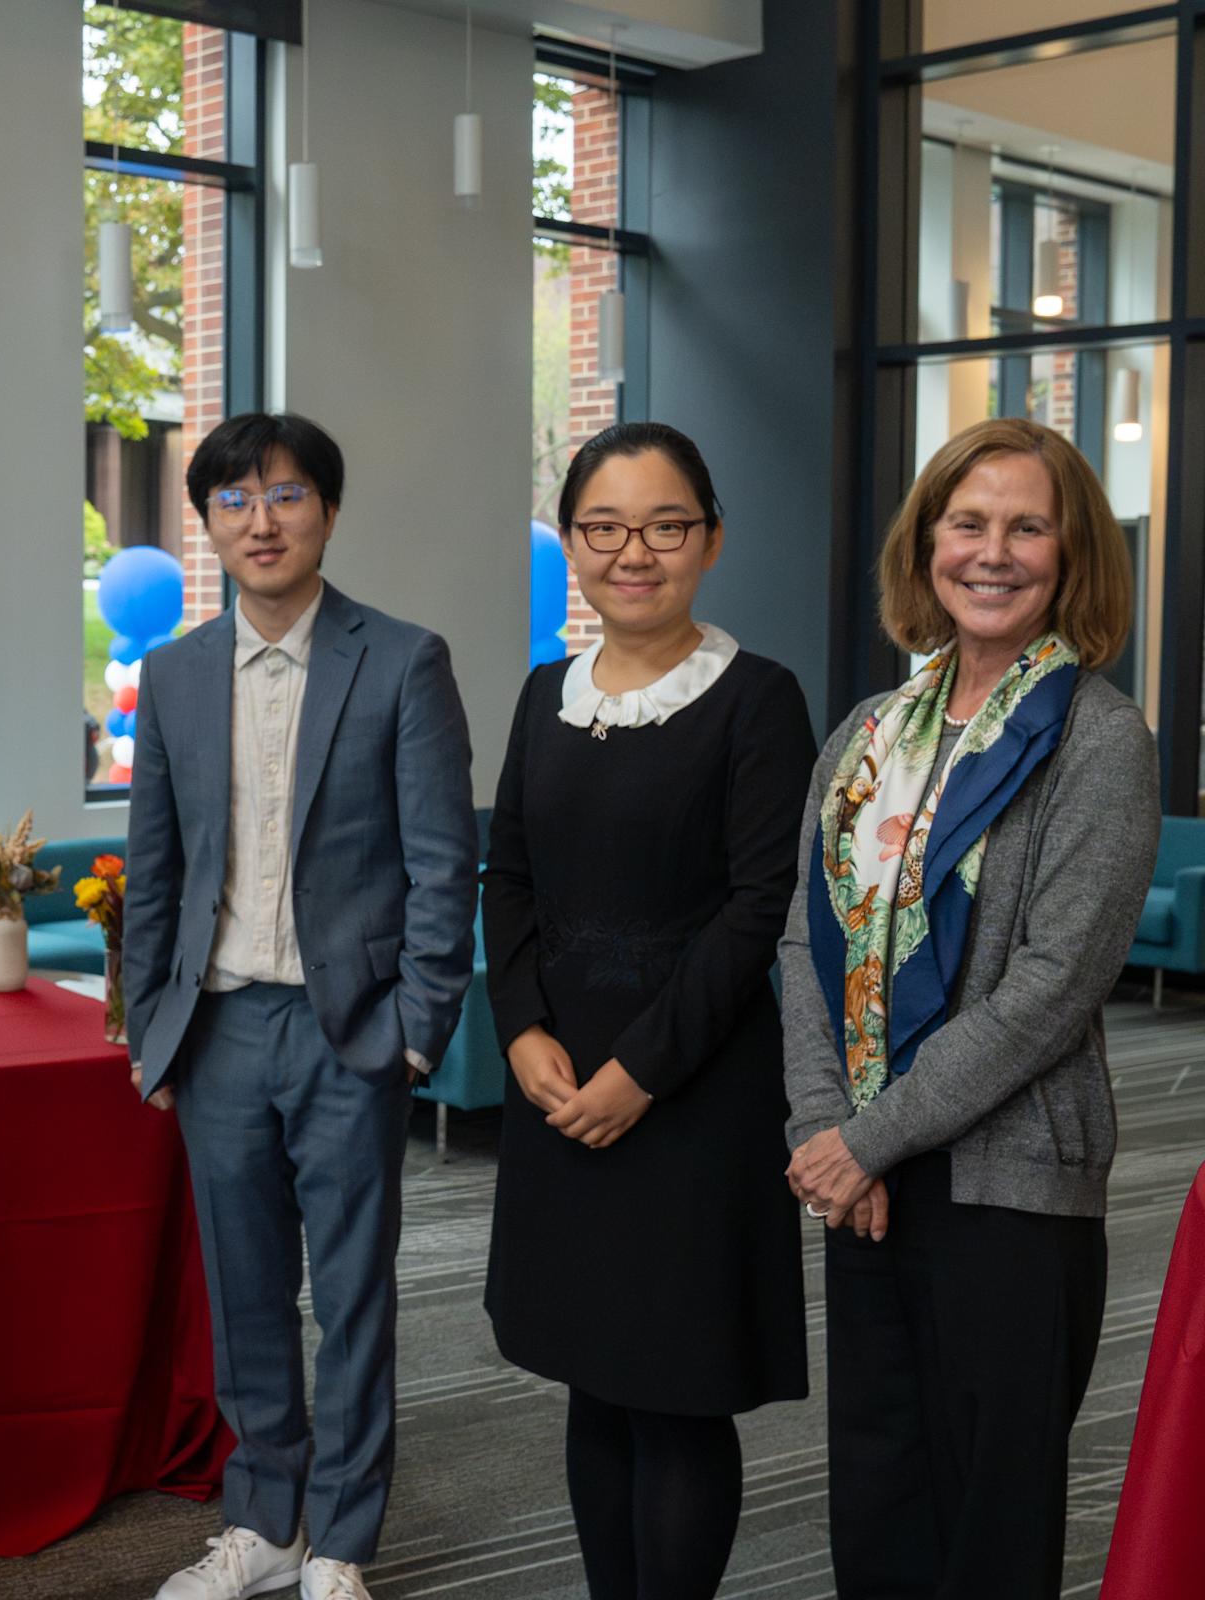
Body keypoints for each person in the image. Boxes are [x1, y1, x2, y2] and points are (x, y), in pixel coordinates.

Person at [783, 415, 1157, 1598]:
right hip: (868, 1180)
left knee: (989, 1521)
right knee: (879, 1494)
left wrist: (865, 1136)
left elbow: (1054, 986)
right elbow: (803, 939)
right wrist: (819, 1132)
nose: (993, 553)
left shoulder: (1099, 739)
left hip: (1009, 1183)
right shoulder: (866, 735)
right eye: (969, 522)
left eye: (1028, 527)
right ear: (927, 546)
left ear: (1071, 554)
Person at [123, 412, 478, 1600]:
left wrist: (418, 1027)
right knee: (245, 1295)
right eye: (233, 500)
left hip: (351, 1035)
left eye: (284, 496)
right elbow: (157, 865)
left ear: (325, 509)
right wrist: (151, 1030)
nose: (259, 521)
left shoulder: (401, 659)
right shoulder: (172, 673)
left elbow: (442, 862)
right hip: (219, 1030)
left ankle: (342, 1543)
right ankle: (263, 1523)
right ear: (208, 522)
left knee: (358, 1298)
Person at [481, 422, 813, 1599]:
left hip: (691, 1096)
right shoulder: (541, 695)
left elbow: (756, 909)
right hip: (557, 1088)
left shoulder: (758, 700)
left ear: (710, 540)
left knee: (675, 1395)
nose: (636, 551)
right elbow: (507, 872)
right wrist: (520, 1027)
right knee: (593, 1375)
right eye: (604, 527)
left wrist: (641, 1073)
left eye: (666, 525)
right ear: (570, 540)